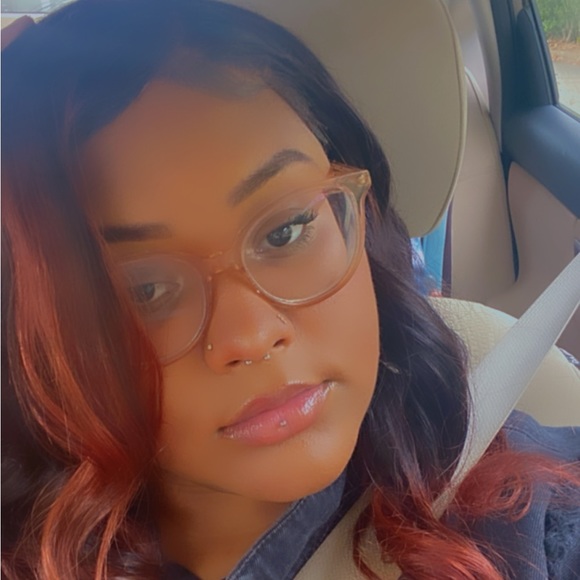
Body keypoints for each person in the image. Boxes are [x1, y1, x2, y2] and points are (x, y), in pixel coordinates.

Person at [2, 1, 579, 578]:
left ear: (360, 215)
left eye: (285, 230)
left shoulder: (532, 518)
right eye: (144, 290)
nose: (252, 335)